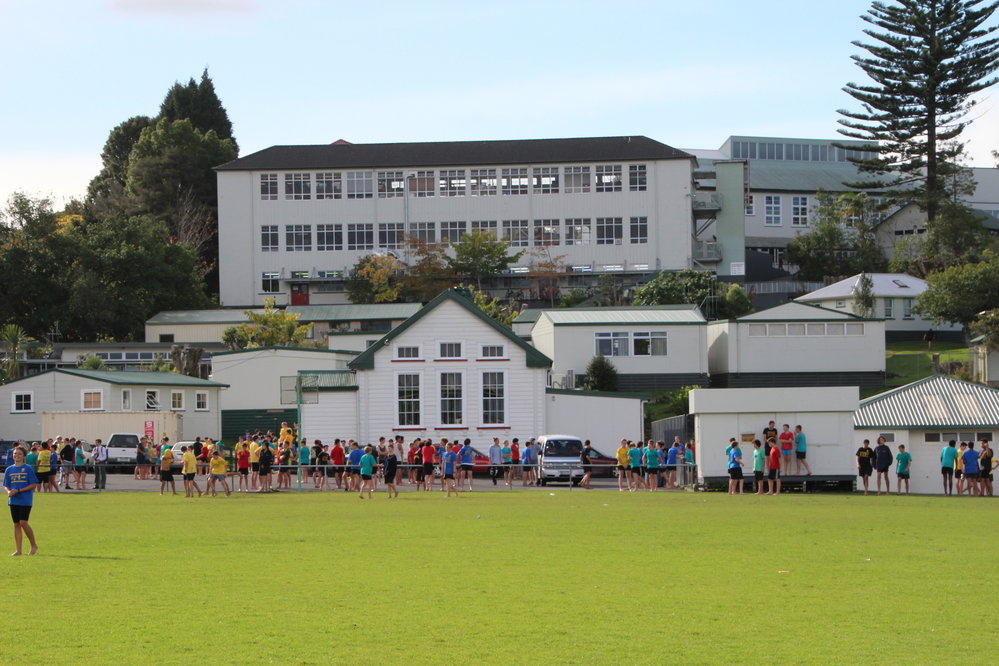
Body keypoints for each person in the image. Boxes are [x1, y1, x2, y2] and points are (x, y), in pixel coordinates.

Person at [4, 446, 39, 556]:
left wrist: (19, 490)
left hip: (25, 500)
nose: (17, 455)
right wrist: (9, 491)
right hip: (13, 500)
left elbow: (33, 484)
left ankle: (34, 545)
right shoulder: (9, 469)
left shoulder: (27, 468)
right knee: (16, 524)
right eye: (15, 453)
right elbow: (6, 485)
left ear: (24, 456)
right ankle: (18, 550)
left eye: (19, 453)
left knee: (23, 522)